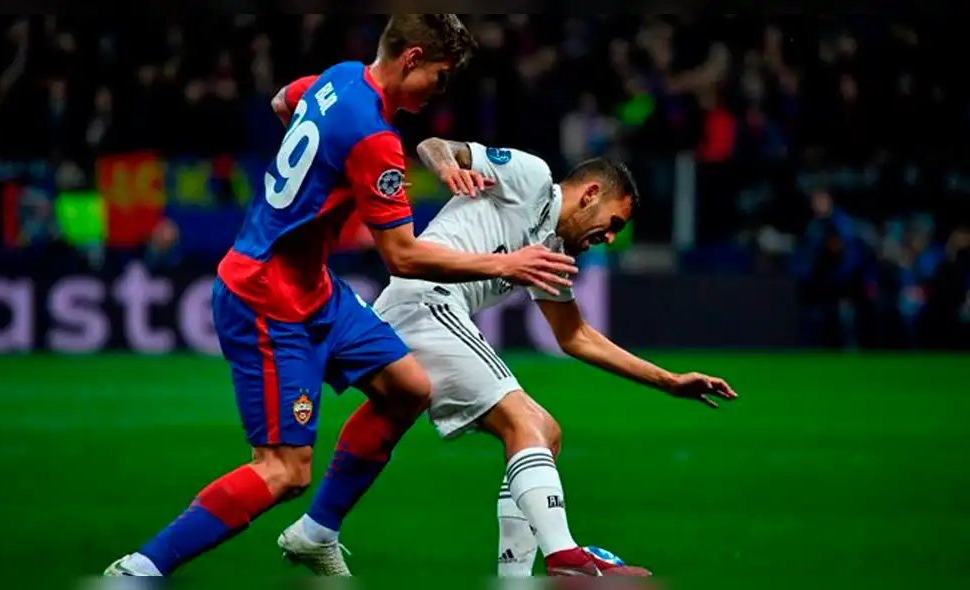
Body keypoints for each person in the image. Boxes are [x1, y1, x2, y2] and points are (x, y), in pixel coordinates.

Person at [103, 15, 576, 578]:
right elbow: (403, 257)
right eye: (440, 75)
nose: (441, 90)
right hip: (265, 298)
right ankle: (141, 568)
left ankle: (317, 533)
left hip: (314, 289)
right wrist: (507, 264)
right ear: (412, 58)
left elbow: (284, 101)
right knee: (284, 470)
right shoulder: (376, 139)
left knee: (408, 388)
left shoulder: (340, 77)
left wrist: (321, 178)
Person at [296, 138, 737, 577]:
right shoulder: (531, 177)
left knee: (545, 433)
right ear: (590, 194)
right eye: (613, 223)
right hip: (425, 302)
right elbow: (434, 144)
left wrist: (669, 381)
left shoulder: (554, 250)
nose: (609, 238)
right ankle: (565, 556)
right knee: (524, 422)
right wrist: (447, 166)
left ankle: (514, 578)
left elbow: (575, 336)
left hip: (430, 311)